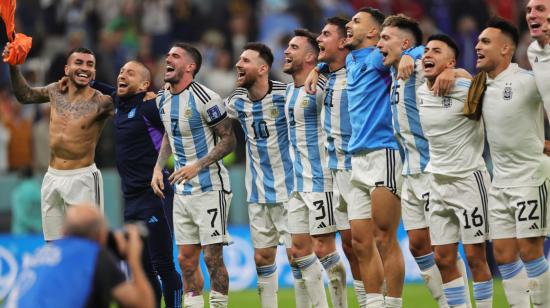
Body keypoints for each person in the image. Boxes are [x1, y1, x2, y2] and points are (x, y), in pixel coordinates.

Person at [376, 14, 472, 307]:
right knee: (418, 245)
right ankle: (446, 303)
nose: (379, 44)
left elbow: (464, 74)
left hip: (432, 169)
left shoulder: (418, 62)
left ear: (405, 43)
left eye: (385, 38)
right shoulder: (394, 72)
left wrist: (452, 73)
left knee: (443, 250)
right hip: (410, 172)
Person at [87, 60, 183, 308]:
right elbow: (107, 89)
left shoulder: (150, 106)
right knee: (142, 267)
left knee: (163, 265)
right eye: (121, 71)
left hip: (156, 196)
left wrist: (160, 168)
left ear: (144, 85)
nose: (122, 75)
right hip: (130, 200)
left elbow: (174, 132)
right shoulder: (120, 103)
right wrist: (86, 78)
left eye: (129, 73)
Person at [151, 42, 236, 308]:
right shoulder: (163, 98)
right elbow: (169, 134)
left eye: (175, 56)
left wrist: (198, 165)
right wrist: (158, 167)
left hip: (211, 189)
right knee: (186, 262)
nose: (168, 58)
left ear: (190, 66)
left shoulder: (206, 98)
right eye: (168, 55)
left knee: (212, 258)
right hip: (182, 192)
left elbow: (229, 139)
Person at [475, 17, 550, 307]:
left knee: (531, 252)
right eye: (478, 40)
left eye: (485, 42)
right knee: (504, 256)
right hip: (500, 183)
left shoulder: (528, 81)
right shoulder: (478, 86)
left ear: (506, 49)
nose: (477, 45)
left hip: (530, 178)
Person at [3, 46, 113, 241]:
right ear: (67, 69)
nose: (84, 68)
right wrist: (13, 66)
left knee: (88, 244)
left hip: (83, 178)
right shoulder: (55, 90)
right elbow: (25, 95)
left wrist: (145, 94)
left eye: (90, 64)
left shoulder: (102, 102)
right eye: (78, 62)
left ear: (94, 72)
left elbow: (129, 100)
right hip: (52, 177)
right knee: (53, 246)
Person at [417, 34, 493, 308]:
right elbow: (400, 50)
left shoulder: (464, 86)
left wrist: (458, 71)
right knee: (443, 259)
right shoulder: (419, 85)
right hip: (436, 182)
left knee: (475, 258)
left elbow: (491, 85)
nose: (428, 54)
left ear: (450, 61)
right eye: (426, 50)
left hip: (468, 181)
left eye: (437, 51)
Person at [225, 42, 298, 308]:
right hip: (257, 192)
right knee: (262, 258)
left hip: (290, 191)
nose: (238, 64)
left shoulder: (286, 95)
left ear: (263, 68)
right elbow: (209, 116)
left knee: (297, 257)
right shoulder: (236, 100)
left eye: (245, 60)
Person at [283, 28, 347, 308]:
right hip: (297, 184)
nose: (286, 51)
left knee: (323, 249)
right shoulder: (286, 90)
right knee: (297, 252)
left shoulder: (323, 86)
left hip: (322, 180)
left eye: (293, 47)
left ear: (310, 56)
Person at [5, 204, 155, 308]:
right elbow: (144, 304)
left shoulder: (39, 254)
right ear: (101, 236)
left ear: (63, 232)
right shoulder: (93, 256)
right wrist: (133, 259)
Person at [314, 16, 366, 307]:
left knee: (365, 244)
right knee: (348, 245)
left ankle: (378, 301)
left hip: (361, 168)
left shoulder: (361, 70)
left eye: (325, 35)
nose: (319, 40)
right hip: (334, 171)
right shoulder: (327, 76)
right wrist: (319, 68)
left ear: (344, 40)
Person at [10, 167, 42, 234]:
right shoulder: (39, 189)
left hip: (21, 232)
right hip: (38, 231)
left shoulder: (18, 191)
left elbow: (19, 215)